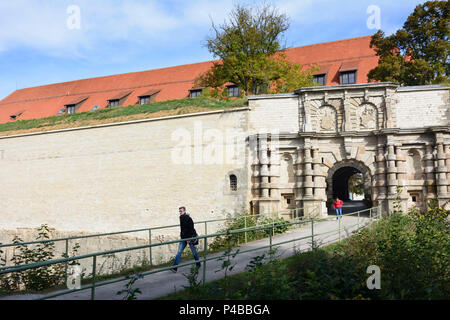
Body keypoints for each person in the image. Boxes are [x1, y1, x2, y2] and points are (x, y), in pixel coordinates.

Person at [171, 206, 201, 273]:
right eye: (179, 211)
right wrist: (182, 236)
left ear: (184, 211)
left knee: (194, 252)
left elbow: (191, 228)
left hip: (190, 238)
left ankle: (198, 264)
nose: (180, 212)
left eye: (181, 211)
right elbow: (183, 229)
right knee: (179, 252)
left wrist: (189, 238)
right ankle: (174, 267)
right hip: (183, 238)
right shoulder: (181, 218)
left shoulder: (189, 219)